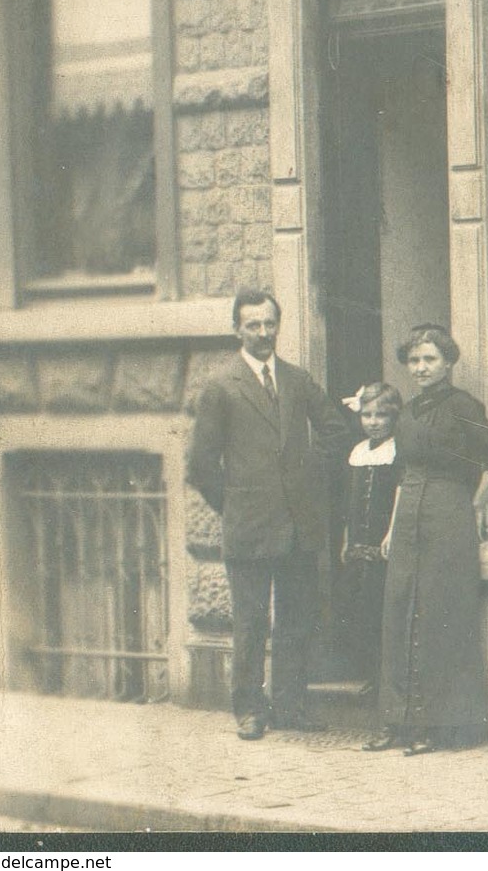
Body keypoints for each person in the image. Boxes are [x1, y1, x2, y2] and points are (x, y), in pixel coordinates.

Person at [186, 288, 352, 741]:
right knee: (251, 623)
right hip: (250, 528)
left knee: (296, 621)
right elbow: (201, 465)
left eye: (269, 323)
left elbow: (337, 429)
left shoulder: (298, 379)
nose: (263, 333)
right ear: (237, 329)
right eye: (253, 325)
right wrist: (237, 503)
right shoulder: (222, 386)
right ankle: (249, 709)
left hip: (299, 525)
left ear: (279, 325)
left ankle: (292, 705)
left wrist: (307, 475)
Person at [364, 324, 488, 756]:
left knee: (437, 613)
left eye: (430, 359)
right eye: (414, 360)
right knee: (399, 611)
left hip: (447, 514)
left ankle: (436, 724)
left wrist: (474, 508)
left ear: (447, 362)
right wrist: (391, 528)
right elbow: (404, 475)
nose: (421, 368)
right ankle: (397, 721)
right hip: (408, 517)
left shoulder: (463, 406)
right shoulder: (405, 413)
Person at [335, 382, 403, 694]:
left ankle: (386, 679)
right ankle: (368, 673)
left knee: (383, 610)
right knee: (359, 610)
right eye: (367, 415)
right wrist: (347, 539)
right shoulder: (358, 452)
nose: (373, 422)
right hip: (358, 544)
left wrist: (391, 532)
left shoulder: (396, 451)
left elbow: (400, 494)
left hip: (383, 544)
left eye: (381, 415)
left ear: (393, 417)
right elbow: (350, 502)